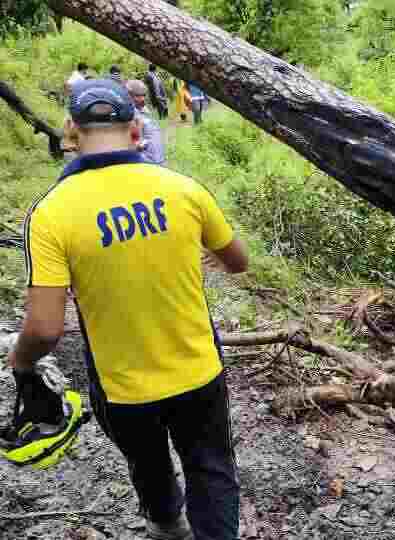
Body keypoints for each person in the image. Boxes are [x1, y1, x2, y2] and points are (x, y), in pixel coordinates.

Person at [8, 79, 247, 540]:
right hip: (198, 367)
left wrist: (20, 360)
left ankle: (168, 526)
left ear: (71, 132)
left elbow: (44, 328)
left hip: (122, 385)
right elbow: (237, 261)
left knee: (148, 462)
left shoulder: (51, 213)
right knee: (211, 467)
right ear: (136, 129)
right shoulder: (183, 189)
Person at [126, 79, 166, 165]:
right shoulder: (130, 115)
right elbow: (134, 143)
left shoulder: (145, 110)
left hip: (159, 159)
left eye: (144, 95)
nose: (142, 99)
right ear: (129, 96)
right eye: (137, 96)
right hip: (147, 162)